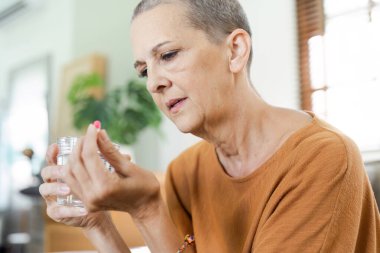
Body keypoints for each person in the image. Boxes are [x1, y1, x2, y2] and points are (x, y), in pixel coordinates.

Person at [39, 0, 380, 252]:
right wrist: (98, 226)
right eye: (144, 70)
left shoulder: (323, 159)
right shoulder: (185, 173)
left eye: (168, 55)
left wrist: (147, 210)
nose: (153, 83)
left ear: (234, 50)